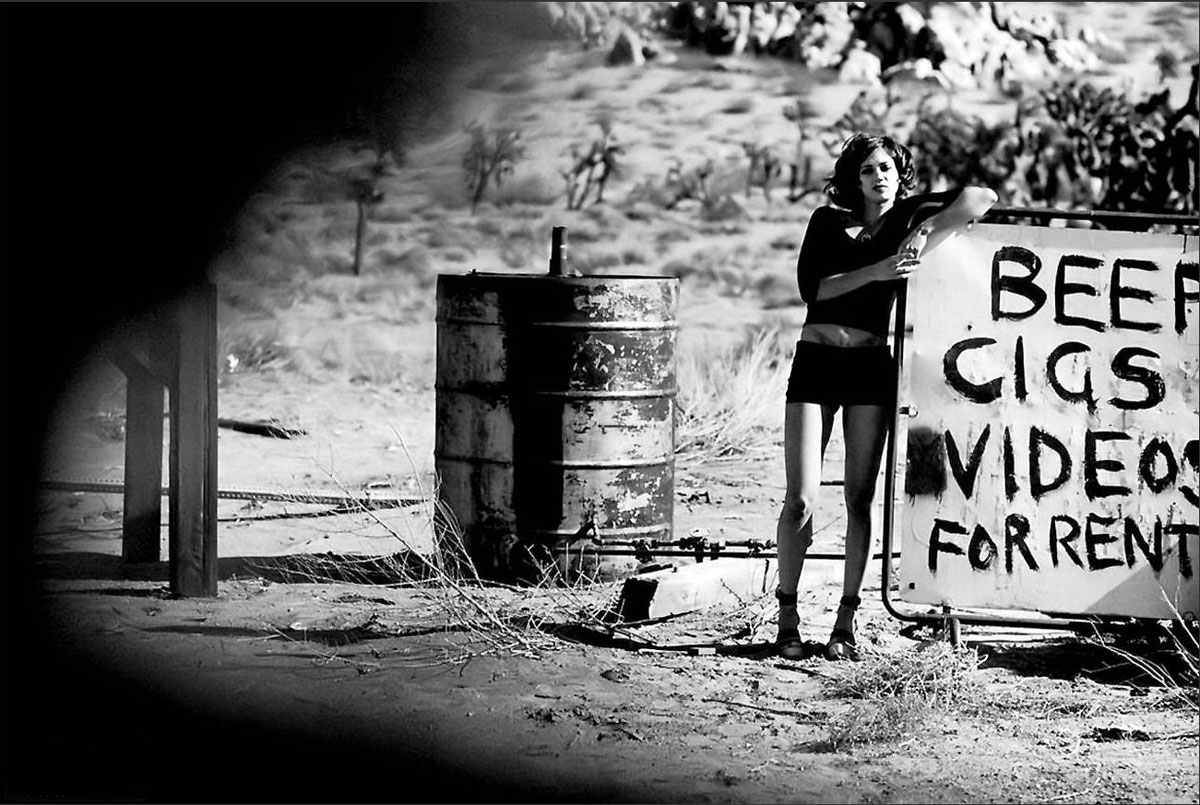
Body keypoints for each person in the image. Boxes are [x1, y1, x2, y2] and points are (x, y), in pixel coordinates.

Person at [775, 133, 997, 661]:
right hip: (816, 360)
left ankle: (845, 624)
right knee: (800, 497)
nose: (880, 176)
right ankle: (786, 618)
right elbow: (815, 289)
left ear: (901, 175)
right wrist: (877, 270)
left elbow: (981, 197)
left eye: (889, 168)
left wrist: (923, 232)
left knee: (858, 498)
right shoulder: (826, 221)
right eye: (869, 169)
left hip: (869, 367)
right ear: (853, 178)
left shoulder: (906, 219)